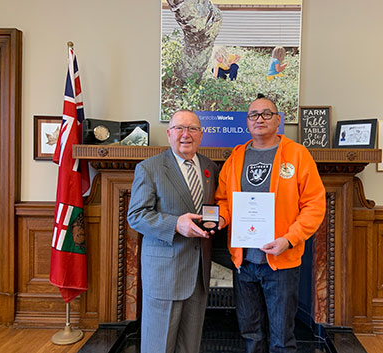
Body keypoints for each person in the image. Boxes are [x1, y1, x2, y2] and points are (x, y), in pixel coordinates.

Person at [215, 95, 326, 352]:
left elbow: (314, 205)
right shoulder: (236, 157)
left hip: (281, 261)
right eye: (254, 115)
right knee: (250, 333)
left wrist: (289, 239)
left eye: (266, 114)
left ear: (278, 120)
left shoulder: (298, 155)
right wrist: (221, 218)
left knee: (282, 337)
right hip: (244, 263)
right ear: (247, 123)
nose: (260, 119)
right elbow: (223, 200)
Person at [127, 109, 219, 353]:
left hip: (198, 274)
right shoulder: (150, 168)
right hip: (165, 274)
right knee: (159, 346)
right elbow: (136, 216)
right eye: (179, 128)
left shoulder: (210, 168)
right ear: (169, 134)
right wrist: (176, 224)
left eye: (192, 129)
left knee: (189, 347)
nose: (185, 134)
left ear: (201, 135)